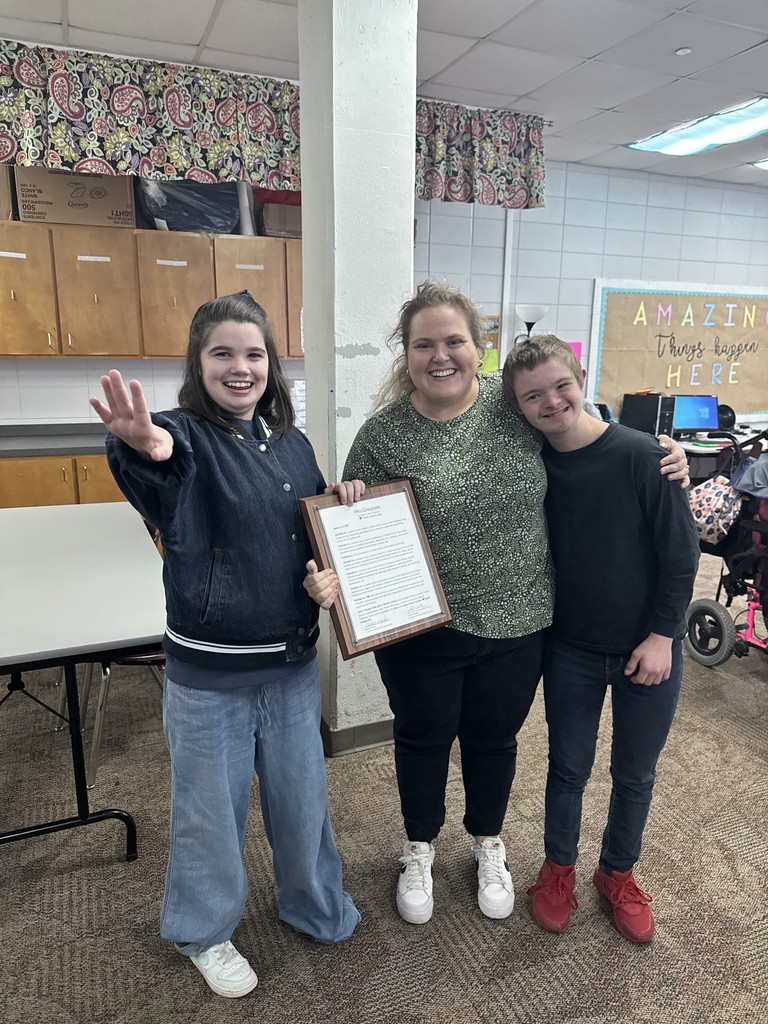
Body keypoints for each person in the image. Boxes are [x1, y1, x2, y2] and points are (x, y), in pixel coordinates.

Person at [304, 281, 688, 928]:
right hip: (420, 626)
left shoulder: (513, 411)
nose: (441, 355)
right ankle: (419, 846)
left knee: (493, 741)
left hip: (520, 623)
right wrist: (343, 498)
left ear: (477, 345)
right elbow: (348, 515)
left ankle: (488, 842)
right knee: (422, 738)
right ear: (408, 354)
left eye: (454, 340)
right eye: (424, 344)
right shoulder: (382, 433)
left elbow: (578, 430)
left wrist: (663, 455)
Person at [89, 290, 361, 999]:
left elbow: (306, 538)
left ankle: (311, 902)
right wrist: (143, 443)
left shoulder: (292, 445)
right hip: (210, 680)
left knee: (303, 804)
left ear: (271, 364)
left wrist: (323, 577)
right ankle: (202, 932)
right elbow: (160, 461)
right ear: (198, 362)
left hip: (293, 668)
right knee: (211, 817)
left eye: (254, 354)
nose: (240, 368)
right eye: (223, 354)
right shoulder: (181, 434)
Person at [503, 334, 699, 943]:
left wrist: (664, 636)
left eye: (560, 385)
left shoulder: (644, 456)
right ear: (517, 405)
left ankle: (617, 872)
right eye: (532, 396)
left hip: (650, 645)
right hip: (571, 649)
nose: (551, 401)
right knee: (567, 769)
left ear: (581, 376)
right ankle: (558, 867)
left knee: (635, 774)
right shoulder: (528, 461)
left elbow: (682, 556)